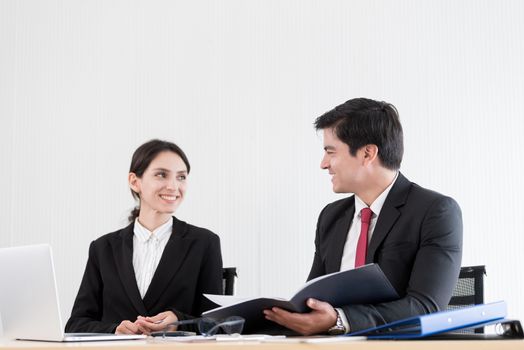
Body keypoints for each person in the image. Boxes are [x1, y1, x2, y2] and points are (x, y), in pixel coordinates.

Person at [264, 98, 463, 335]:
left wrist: (340, 320)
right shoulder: (331, 217)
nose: (323, 164)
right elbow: (311, 300)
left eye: (330, 152)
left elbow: (426, 307)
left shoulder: (435, 211)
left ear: (367, 153)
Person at [65, 139, 223, 334]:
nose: (173, 186)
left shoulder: (204, 243)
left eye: (181, 177)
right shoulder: (103, 248)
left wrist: (179, 321)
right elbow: (76, 324)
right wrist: (114, 330)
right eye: (161, 175)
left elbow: (218, 325)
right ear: (134, 181)